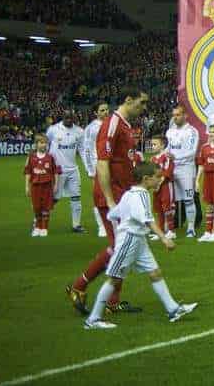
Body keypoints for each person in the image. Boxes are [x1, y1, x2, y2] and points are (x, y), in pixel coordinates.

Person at [81, 162, 197, 330]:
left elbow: (113, 214)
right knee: (114, 278)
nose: (160, 180)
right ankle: (93, 319)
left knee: (155, 272)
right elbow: (148, 220)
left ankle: (173, 309)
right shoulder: (141, 195)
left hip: (138, 239)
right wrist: (164, 238)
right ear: (146, 179)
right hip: (130, 239)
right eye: (157, 177)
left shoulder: (129, 194)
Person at [68, 86, 150, 317]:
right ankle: (79, 286)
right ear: (128, 99)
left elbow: (120, 162)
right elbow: (102, 163)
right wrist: (110, 200)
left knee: (123, 247)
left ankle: (112, 300)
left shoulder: (124, 125)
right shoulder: (112, 123)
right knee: (118, 247)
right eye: (141, 102)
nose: (144, 108)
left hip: (121, 194)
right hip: (111, 196)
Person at [165, 105, 201, 238]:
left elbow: (192, 152)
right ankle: (170, 229)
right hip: (171, 169)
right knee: (171, 200)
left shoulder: (191, 131)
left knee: (188, 199)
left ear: (185, 115)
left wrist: (176, 157)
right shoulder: (170, 131)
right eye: (174, 115)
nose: (175, 117)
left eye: (178, 115)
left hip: (186, 169)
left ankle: (191, 228)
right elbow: (168, 148)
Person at [45, 114, 84, 234]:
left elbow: (82, 149)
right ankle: (40, 219)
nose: (69, 119)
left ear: (74, 118)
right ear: (62, 118)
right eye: (66, 117)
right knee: (55, 197)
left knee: (76, 197)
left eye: (71, 117)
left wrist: (88, 167)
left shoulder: (79, 131)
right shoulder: (53, 129)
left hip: (73, 169)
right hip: (58, 170)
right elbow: (45, 145)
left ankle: (76, 225)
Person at [81, 103, 110, 237]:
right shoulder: (91, 128)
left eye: (107, 109)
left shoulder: (111, 124)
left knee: (113, 195)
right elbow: (86, 150)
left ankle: (113, 224)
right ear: (96, 113)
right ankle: (102, 226)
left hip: (111, 165)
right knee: (99, 197)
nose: (105, 112)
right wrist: (90, 170)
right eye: (102, 110)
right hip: (97, 166)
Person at [25, 134, 59, 237]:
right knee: (36, 208)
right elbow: (28, 172)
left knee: (46, 208)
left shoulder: (50, 157)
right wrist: (27, 186)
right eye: (41, 142)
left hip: (47, 186)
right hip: (35, 186)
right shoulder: (31, 157)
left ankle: (44, 228)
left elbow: (55, 172)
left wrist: (56, 184)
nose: (43, 145)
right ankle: (37, 227)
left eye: (45, 143)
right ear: (36, 144)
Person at [148, 135, 177, 239]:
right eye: (152, 144)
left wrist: (159, 184)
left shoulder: (167, 156)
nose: (152, 146)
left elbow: (168, 171)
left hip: (165, 185)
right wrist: (152, 184)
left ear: (162, 145)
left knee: (167, 207)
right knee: (158, 208)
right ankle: (160, 231)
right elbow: (151, 173)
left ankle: (171, 230)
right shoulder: (152, 159)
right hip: (156, 187)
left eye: (155, 144)